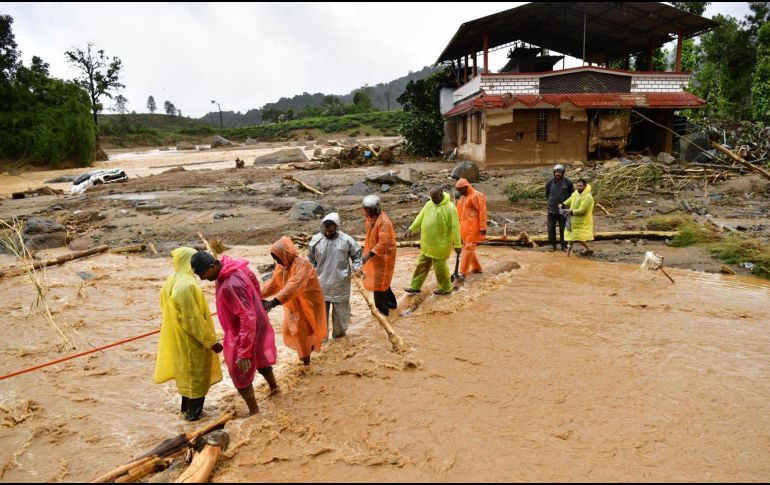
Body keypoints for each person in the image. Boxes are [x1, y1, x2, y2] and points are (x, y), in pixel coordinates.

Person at [191, 251, 278, 416]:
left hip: (243, 329)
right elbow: (253, 279)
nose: (201, 278)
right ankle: (275, 388)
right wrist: (257, 301)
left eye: (202, 274)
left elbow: (247, 317)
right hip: (256, 320)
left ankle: (255, 413)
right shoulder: (232, 266)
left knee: (238, 370)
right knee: (259, 356)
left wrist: (244, 351)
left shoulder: (230, 284)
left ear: (212, 266)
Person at [154, 247, 223, 422]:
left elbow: (165, 308)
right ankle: (192, 423)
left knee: (187, 377)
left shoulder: (172, 280)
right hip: (192, 341)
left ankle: (185, 416)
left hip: (177, 338)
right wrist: (211, 341)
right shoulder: (187, 286)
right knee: (196, 379)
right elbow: (193, 320)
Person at [262, 236, 327, 365]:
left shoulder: (302, 265)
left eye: (278, 257)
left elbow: (295, 285)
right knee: (297, 333)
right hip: (293, 304)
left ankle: (306, 366)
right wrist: (257, 295)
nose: (277, 261)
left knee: (303, 334)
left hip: (308, 304)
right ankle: (307, 360)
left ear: (285, 253)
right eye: (275, 258)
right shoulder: (281, 267)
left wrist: (273, 302)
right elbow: (274, 285)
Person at [308, 213, 363, 339]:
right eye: (326, 231)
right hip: (321, 283)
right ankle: (322, 340)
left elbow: (357, 256)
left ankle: (339, 339)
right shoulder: (316, 240)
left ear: (337, 227)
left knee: (341, 314)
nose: (328, 233)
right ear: (323, 229)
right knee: (320, 315)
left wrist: (356, 268)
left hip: (341, 283)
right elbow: (310, 260)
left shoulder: (347, 240)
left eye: (331, 231)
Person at [404, 186, 462, 295]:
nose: (433, 200)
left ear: (441, 195)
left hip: (441, 245)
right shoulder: (429, 203)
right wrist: (411, 228)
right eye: (431, 198)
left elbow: (455, 228)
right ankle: (415, 286)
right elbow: (420, 216)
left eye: (434, 198)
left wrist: (458, 245)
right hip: (427, 243)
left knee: (440, 268)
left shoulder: (450, 208)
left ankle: (445, 288)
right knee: (420, 265)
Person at [361, 195, 397, 316]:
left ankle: (382, 312)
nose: (367, 212)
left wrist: (367, 256)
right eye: (366, 209)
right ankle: (391, 304)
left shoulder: (384, 222)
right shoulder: (370, 217)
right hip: (375, 256)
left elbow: (383, 243)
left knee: (378, 284)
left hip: (384, 256)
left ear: (377, 208)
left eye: (370, 209)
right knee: (383, 281)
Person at [455, 178, 487, 277]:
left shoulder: (477, 195)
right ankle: (477, 268)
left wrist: (483, 227)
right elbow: (459, 214)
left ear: (466, 187)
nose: (460, 192)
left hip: (474, 227)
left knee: (468, 248)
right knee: (467, 247)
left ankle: (462, 272)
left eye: (461, 190)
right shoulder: (462, 199)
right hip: (464, 228)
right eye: (458, 191)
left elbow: (483, 211)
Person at [563, 178, 595, 257]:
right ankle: (568, 254)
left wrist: (572, 212)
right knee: (572, 236)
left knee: (575, 236)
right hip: (573, 219)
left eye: (580, 186)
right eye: (577, 186)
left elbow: (583, 210)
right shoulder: (576, 193)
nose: (578, 187)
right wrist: (563, 204)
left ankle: (569, 254)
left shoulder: (587, 197)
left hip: (581, 221)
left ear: (585, 186)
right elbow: (571, 199)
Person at [545, 164, 574, 252]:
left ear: (563, 173)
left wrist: (567, 207)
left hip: (563, 211)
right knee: (551, 228)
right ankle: (552, 245)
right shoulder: (549, 182)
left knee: (563, 229)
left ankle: (564, 246)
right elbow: (547, 195)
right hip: (551, 210)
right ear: (554, 173)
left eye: (560, 172)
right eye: (556, 172)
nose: (558, 174)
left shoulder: (568, 182)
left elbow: (571, 196)